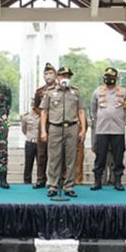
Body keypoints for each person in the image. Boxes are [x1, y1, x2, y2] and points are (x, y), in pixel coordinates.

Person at [40, 67, 86, 197]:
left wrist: (82, 129)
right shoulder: (50, 92)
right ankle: (53, 185)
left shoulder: (75, 92)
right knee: (54, 157)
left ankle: (69, 186)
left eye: (67, 76)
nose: (65, 78)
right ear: (57, 77)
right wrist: (43, 131)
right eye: (62, 75)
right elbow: (44, 112)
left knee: (71, 158)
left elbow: (81, 110)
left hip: (71, 127)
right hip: (55, 127)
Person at [90, 67, 126, 191]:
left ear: (116, 78)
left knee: (118, 156)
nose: (109, 79)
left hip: (117, 129)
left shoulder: (124, 92)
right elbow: (93, 110)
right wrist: (99, 120)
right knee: (100, 155)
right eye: (107, 76)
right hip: (102, 129)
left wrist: (119, 118)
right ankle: (97, 181)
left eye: (112, 77)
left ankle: (117, 181)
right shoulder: (97, 91)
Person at [33, 63, 56, 189]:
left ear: (55, 74)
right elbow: (35, 107)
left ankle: (58, 179)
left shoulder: (60, 89)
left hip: (57, 124)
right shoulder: (40, 91)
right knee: (41, 153)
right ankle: (41, 178)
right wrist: (43, 115)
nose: (48, 76)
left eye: (51, 73)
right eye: (46, 73)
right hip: (44, 125)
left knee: (57, 153)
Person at [21, 99, 40, 184]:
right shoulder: (26, 117)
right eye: (33, 104)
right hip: (30, 142)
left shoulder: (43, 116)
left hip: (40, 143)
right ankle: (27, 181)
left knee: (41, 163)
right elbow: (24, 130)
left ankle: (41, 180)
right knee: (28, 163)